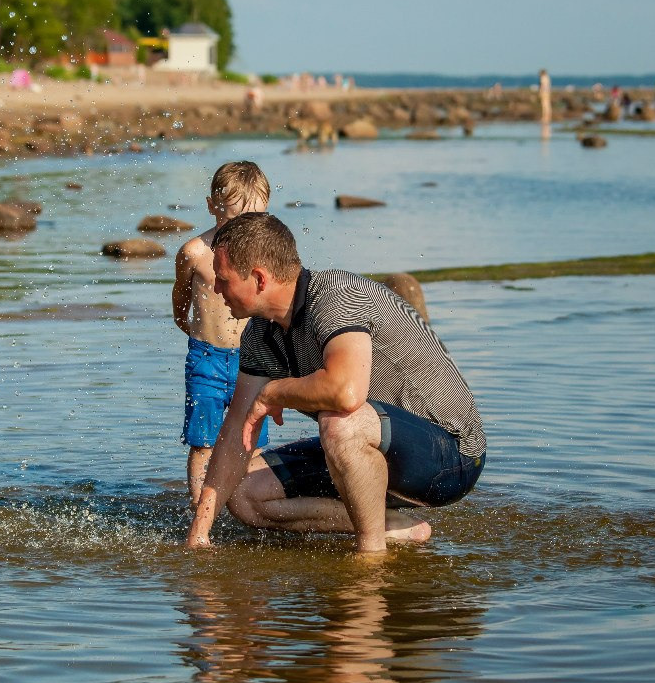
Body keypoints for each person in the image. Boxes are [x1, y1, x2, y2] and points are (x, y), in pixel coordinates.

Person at [185, 213, 486, 554]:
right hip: (374, 450)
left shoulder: (336, 296)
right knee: (243, 494)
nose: (215, 287)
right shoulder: (260, 333)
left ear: (258, 278)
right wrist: (200, 532)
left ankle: (370, 555)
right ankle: (395, 528)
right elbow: (237, 428)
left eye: (223, 279)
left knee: (340, 421)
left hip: (451, 456)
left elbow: (346, 392)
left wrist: (274, 391)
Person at [172, 163, 272, 503]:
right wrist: (181, 317)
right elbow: (181, 291)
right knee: (203, 442)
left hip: (253, 359)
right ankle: (200, 513)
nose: (245, 229)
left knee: (251, 441)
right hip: (207, 358)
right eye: (235, 219)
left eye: (254, 220)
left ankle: (246, 505)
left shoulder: (267, 254)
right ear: (213, 205)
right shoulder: (196, 252)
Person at [537, 68, 552, 136]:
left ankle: (545, 117)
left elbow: (542, 85)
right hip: (547, 92)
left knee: (544, 104)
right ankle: (547, 116)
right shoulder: (547, 77)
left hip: (544, 92)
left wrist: (540, 92)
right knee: (547, 104)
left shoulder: (543, 78)